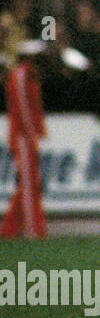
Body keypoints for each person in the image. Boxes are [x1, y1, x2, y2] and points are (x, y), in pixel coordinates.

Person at [1, 41, 47, 240]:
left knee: (29, 183)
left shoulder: (29, 76)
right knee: (28, 184)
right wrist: (31, 132)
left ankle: (10, 228)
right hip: (22, 137)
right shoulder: (21, 75)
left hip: (26, 137)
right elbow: (23, 108)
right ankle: (32, 229)